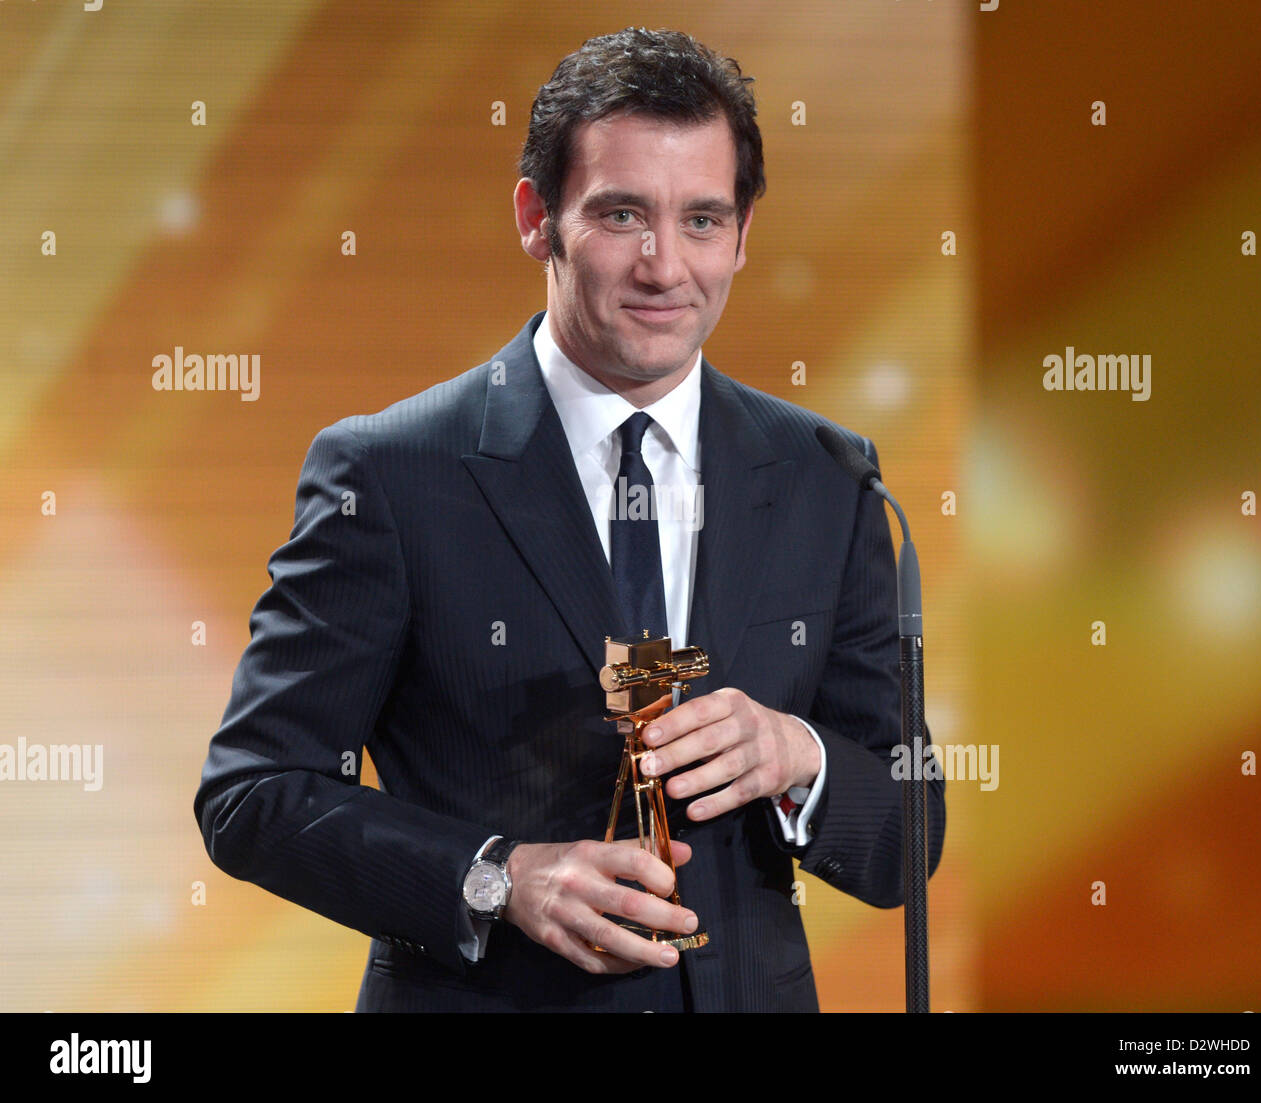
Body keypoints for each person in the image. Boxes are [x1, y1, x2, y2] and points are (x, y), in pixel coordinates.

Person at [194, 26, 945, 1013]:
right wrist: (495, 877)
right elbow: (253, 792)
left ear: (745, 230)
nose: (663, 266)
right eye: (621, 213)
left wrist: (797, 756)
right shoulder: (388, 471)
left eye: (703, 220)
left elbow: (902, 836)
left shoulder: (826, 474)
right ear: (535, 217)